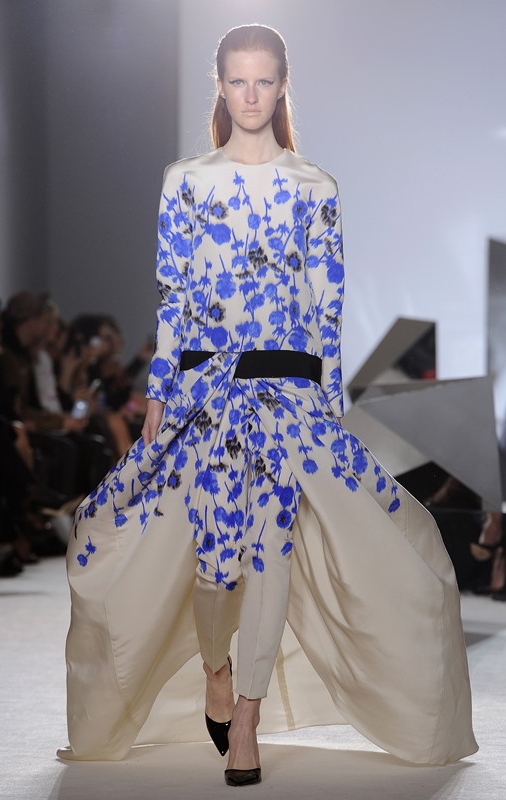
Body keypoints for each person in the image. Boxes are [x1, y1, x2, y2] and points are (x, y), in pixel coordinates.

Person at [58, 24, 477, 785]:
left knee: (269, 554)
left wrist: (328, 405)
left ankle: (246, 716)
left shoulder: (316, 186)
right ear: (219, 86)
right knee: (214, 570)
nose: (250, 95)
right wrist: (158, 392)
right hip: (205, 393)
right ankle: (217, 669)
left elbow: (326, 303)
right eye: (237, 80)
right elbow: (174, 296)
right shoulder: (185, 181)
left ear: (283, 86)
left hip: (287, 395)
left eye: (263, 81)